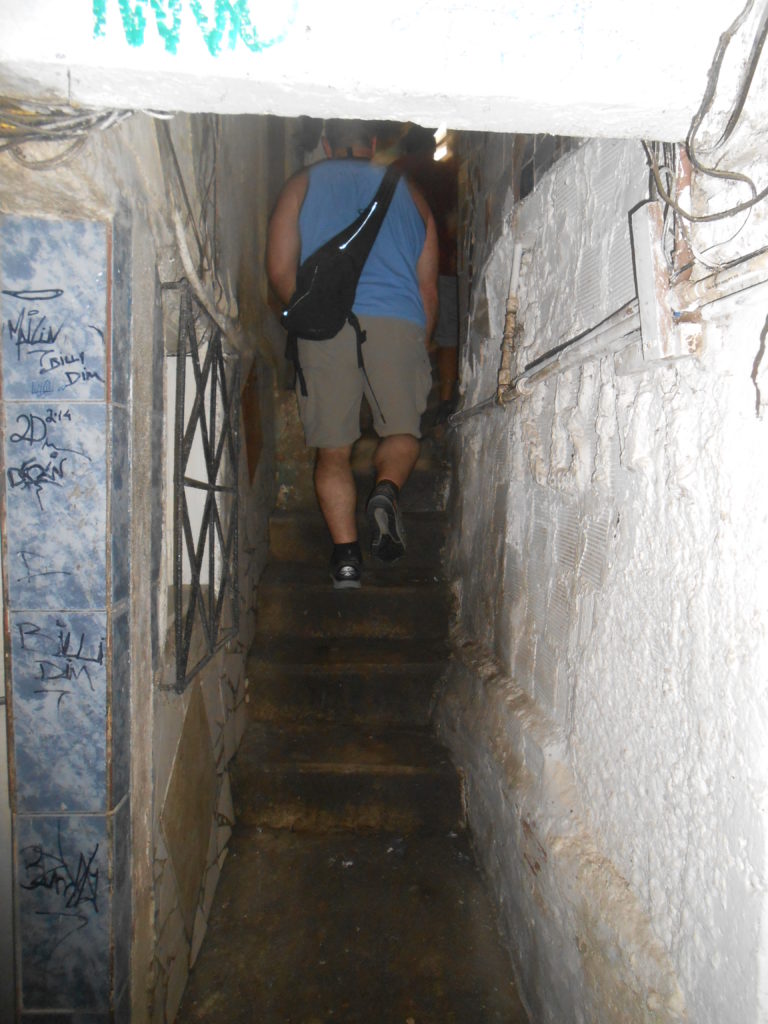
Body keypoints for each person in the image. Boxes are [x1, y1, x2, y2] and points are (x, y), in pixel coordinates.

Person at [266, 119, 439, 589]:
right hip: (398, 319)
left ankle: (346, 560)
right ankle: (385, 490)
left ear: (325, 143)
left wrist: (310, 313)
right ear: (375, 143)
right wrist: (418, 345)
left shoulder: (300, 184)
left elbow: (281, 270)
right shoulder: (412, 194)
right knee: (402, 432)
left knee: (333, 450)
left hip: (327, 323)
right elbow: (427, 288)